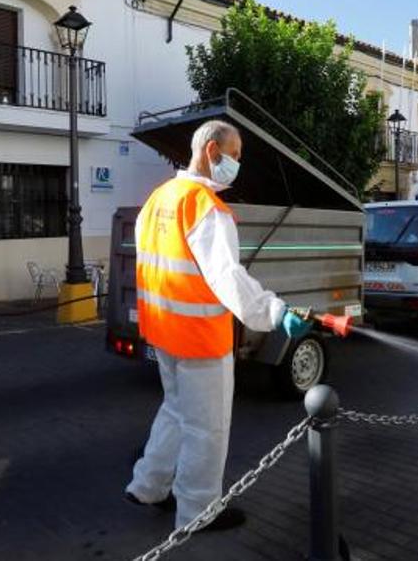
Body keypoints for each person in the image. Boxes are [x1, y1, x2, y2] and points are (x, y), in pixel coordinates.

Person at [124, 120, 314, 532]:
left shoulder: (159, 198)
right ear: (212, 151)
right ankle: (197, 512)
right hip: (199, 340)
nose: (237, 164)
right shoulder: (207, 208)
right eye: (235, 155)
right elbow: (227, 277)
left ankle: (148, 484)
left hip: (164, 333)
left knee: (175, 410)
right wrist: (274, 311)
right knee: (207, 428)